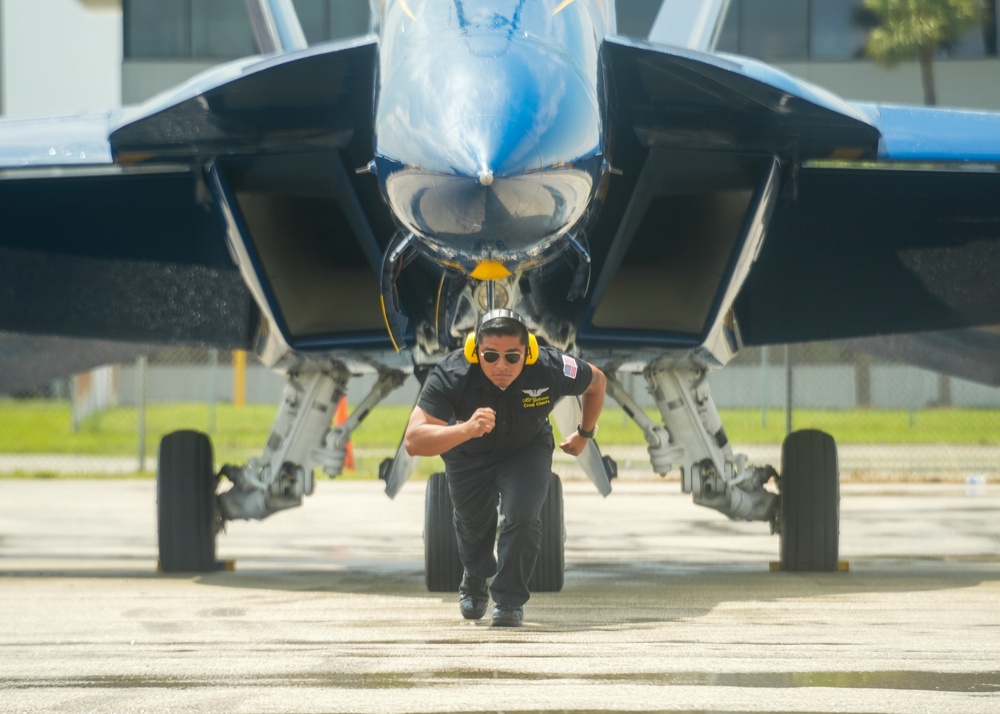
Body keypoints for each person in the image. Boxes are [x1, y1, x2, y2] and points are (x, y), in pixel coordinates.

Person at [403, 308, 606, 627]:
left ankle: (509, 602)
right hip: (466, 452)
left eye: (513, 357)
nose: (501, 366)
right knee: (473, 523)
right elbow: (414, 440)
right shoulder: (452, 373)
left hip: (526, 450)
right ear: (475, 351)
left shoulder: (550, 367)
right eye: (490, 356)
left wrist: (584, 433)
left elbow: (597, 381)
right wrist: (465, 429)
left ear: (527, 352)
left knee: (523, 516)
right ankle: (475, 575)